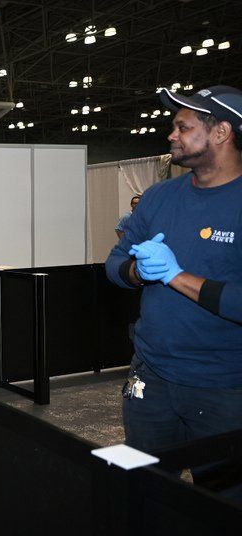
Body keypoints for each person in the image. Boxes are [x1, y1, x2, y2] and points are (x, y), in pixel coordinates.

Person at [105, 85, 242, 500]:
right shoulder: (160, 196)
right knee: (144, 492)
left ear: (220, 132)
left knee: (224, 502)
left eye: (182, 127)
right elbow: (114, 263)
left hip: (223, 388)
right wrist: (137, 271)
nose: (171, 135)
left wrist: (175, 275)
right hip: (151, 378)